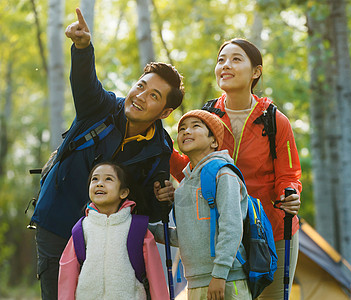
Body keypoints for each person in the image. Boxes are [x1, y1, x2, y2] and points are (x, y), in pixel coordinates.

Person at [30, 8, 184, 300]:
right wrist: (82, 47)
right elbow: (85, 83)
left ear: (165, 112)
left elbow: (148, 209)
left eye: (153, 95)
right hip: (58, 222)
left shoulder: (159, 149)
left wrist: (164, 200)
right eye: (141, 86)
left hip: (109, 241)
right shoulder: (100, 108)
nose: (140, 96)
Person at [169, 38, 302, 299]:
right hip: (218, 234)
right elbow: (193, 170)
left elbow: (288, 174)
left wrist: (291, 193)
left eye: (236, 59)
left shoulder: (275, 120)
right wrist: (163, 150)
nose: (225, 65)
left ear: (256, 72)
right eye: (221, 60)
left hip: (270, 232)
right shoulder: (208, 116)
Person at [151, 110, 252, 300]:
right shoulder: (182, 188)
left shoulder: (223, 174)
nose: (186, 131)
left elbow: (232, 227)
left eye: (195, 126)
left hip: (227, 279)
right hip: (195, 281)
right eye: (182, 129)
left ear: (214, 141)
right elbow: (184, 236)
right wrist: (144, 229)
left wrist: (220, 274)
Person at [58, 162, 169, 299]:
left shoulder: (137, 228)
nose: (99, 183)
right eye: (95, 179)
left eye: (108, 179)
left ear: (123, 192)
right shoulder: (80, 230)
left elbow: (155, 275)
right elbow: (67, 275)